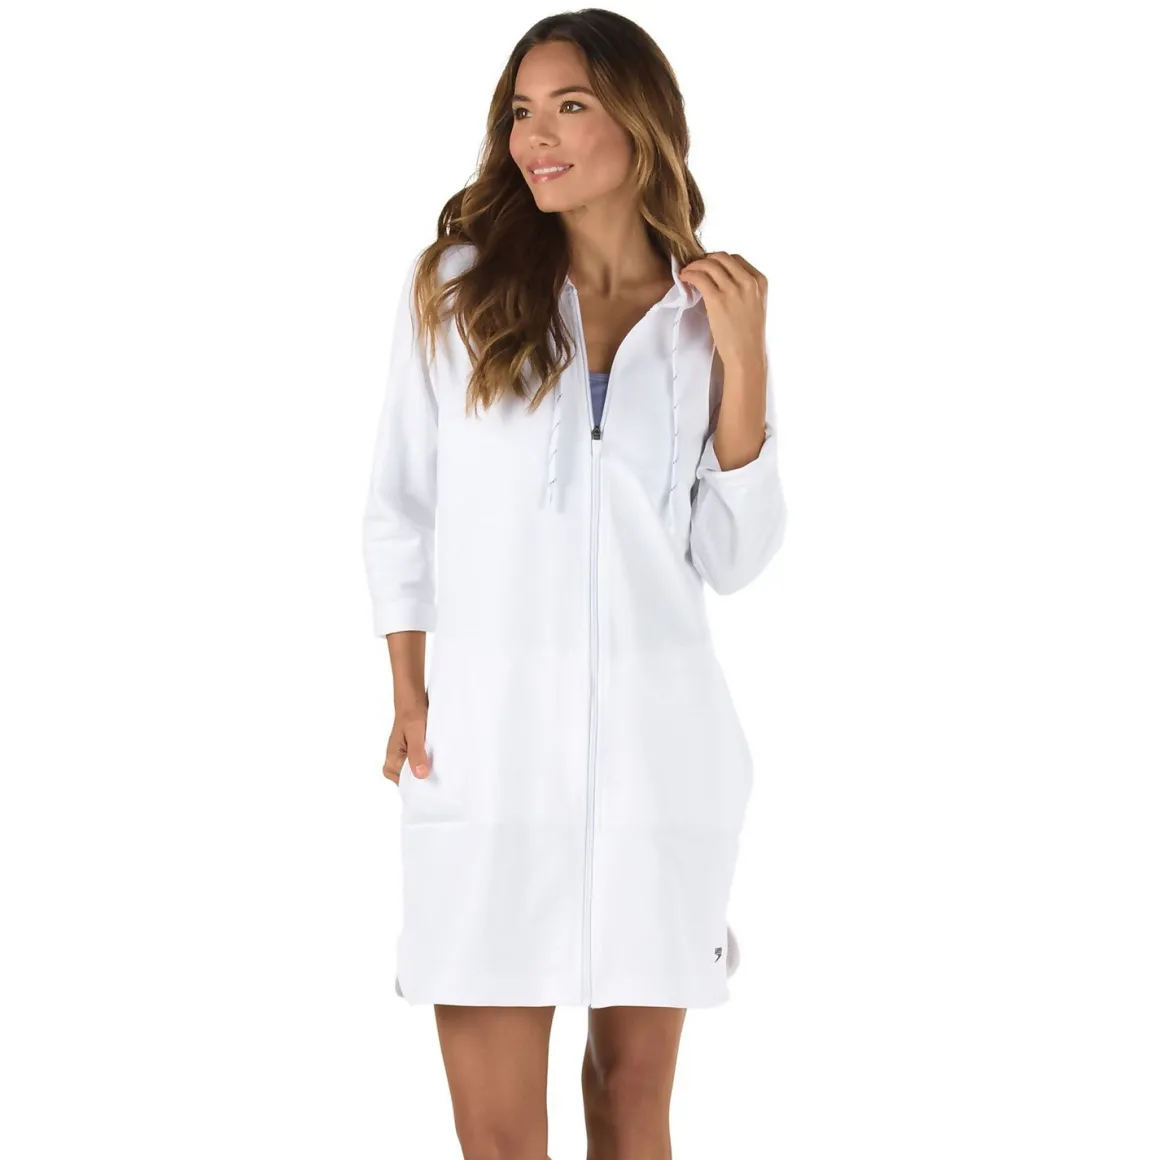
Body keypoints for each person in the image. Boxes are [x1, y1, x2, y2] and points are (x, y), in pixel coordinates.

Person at [362, 9, 787, 1157]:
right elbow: (400, 505)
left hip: (660, 763)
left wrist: (743, 359)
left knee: (630, 1109)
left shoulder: (703, 315)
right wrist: (409, 689)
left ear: (639, 123)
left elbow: (733, 555)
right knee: (499, 1137)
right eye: (519, 112)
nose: (533, 138)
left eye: (568, 106)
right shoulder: (456, 289)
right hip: (489, 756)